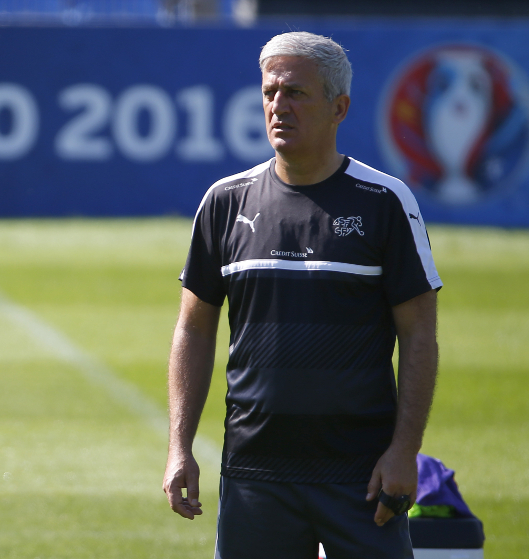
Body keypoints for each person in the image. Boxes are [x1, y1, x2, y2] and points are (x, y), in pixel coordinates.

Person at [162, 31, 442, 558]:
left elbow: (419, 333)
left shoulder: (385, 201)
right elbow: (194, 328)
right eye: (269, 93)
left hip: (360, 475)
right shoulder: (225, 202)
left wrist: (405, 452)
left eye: (295, 93)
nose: (277, 107)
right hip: (255, 474)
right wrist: (180, 446)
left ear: (339, 107)